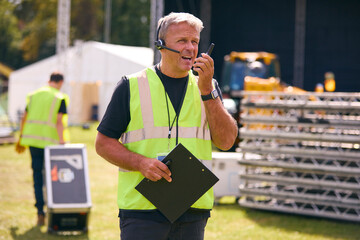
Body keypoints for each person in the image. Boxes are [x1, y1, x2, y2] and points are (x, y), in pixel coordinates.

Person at [95, 12, 238, 240]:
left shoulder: (208, 87)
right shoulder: (130, 86)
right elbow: (103, 143)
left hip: (193, 212)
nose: (190, 48)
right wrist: (140, 163)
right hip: (142, 212)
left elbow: (227, 141)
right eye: (182, 41)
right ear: (161, 46)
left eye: (194, 41)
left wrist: (207, 91)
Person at [16, 72, 70, 226]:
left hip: (33, 142)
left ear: (49, 81)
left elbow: (24, 117)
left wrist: (21, 136)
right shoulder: (59, 97)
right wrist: (62, 143)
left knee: (37, 177)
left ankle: (40, 211)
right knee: (53, 178)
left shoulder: (34, 95)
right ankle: (53, 211)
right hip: (51, 144)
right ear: (60, 82)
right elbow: (59, 121)